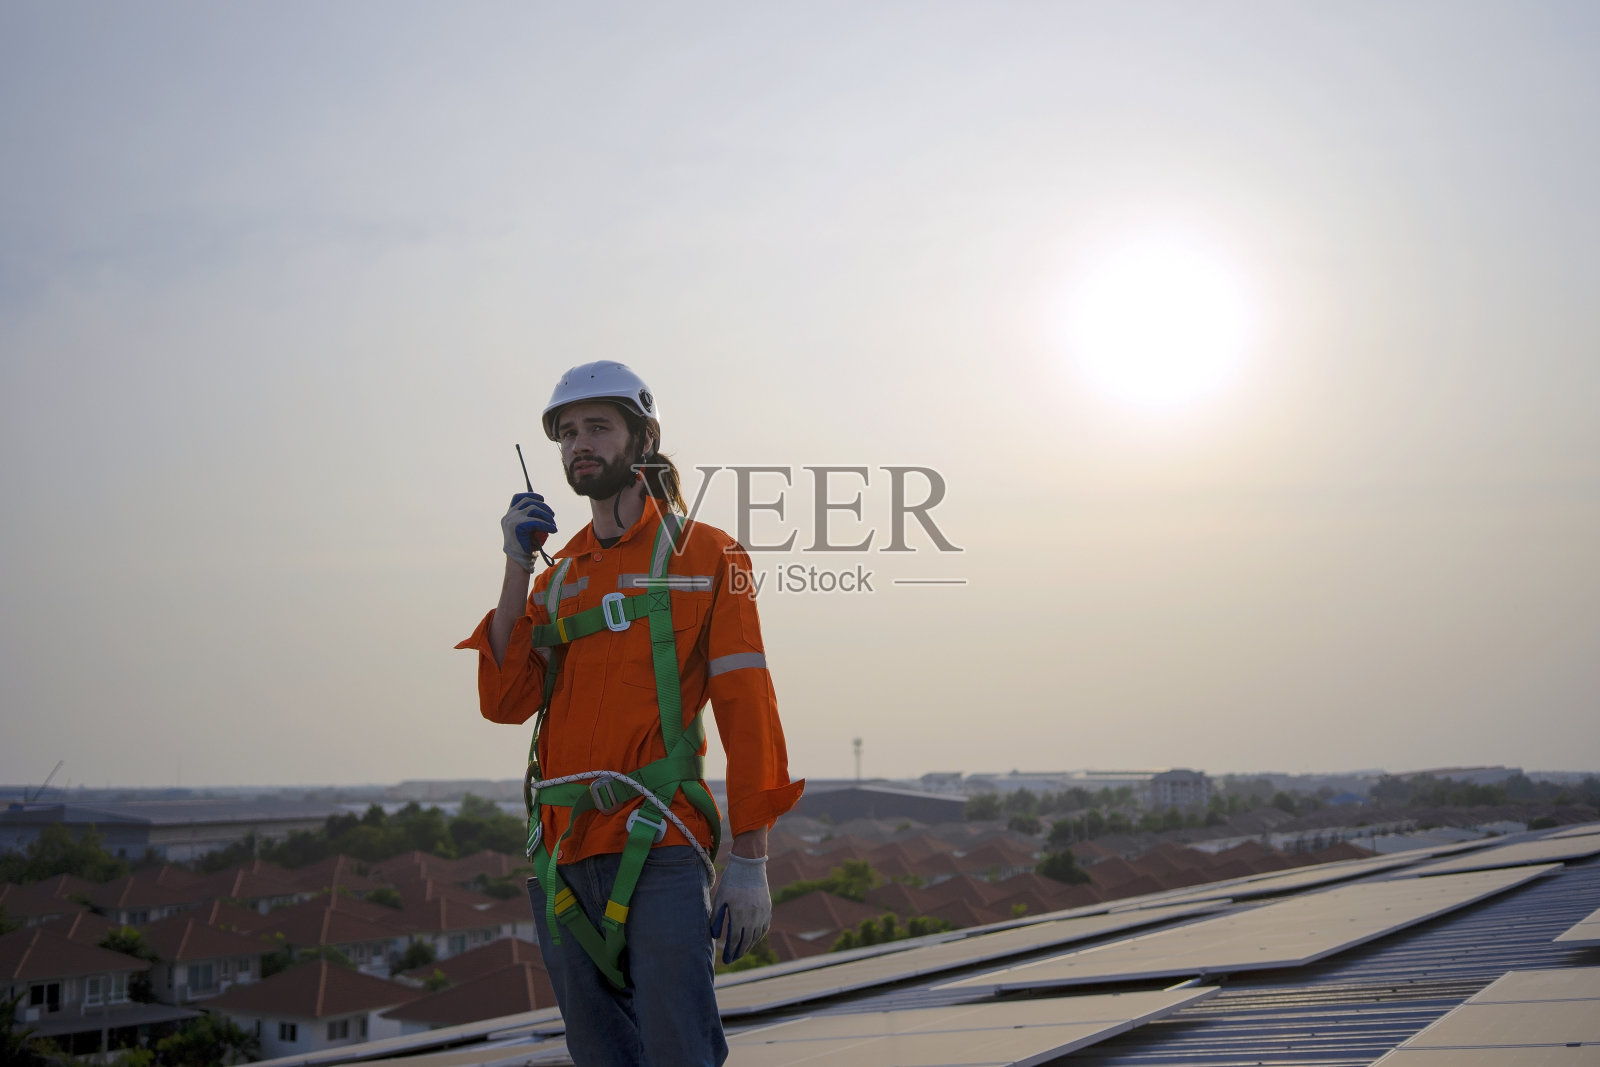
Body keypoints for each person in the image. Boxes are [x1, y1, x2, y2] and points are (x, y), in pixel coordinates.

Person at [456, 361, 803, 1067]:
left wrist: (750, 857)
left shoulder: (708, 554)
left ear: (642, 438)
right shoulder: (556, 581)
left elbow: (749, 710)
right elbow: (504, 701)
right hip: (563, 855)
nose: (580, 443)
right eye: (569, 432)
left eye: (598, 427)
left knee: (680, 1052)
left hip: (659, 843)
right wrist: (515, 566)